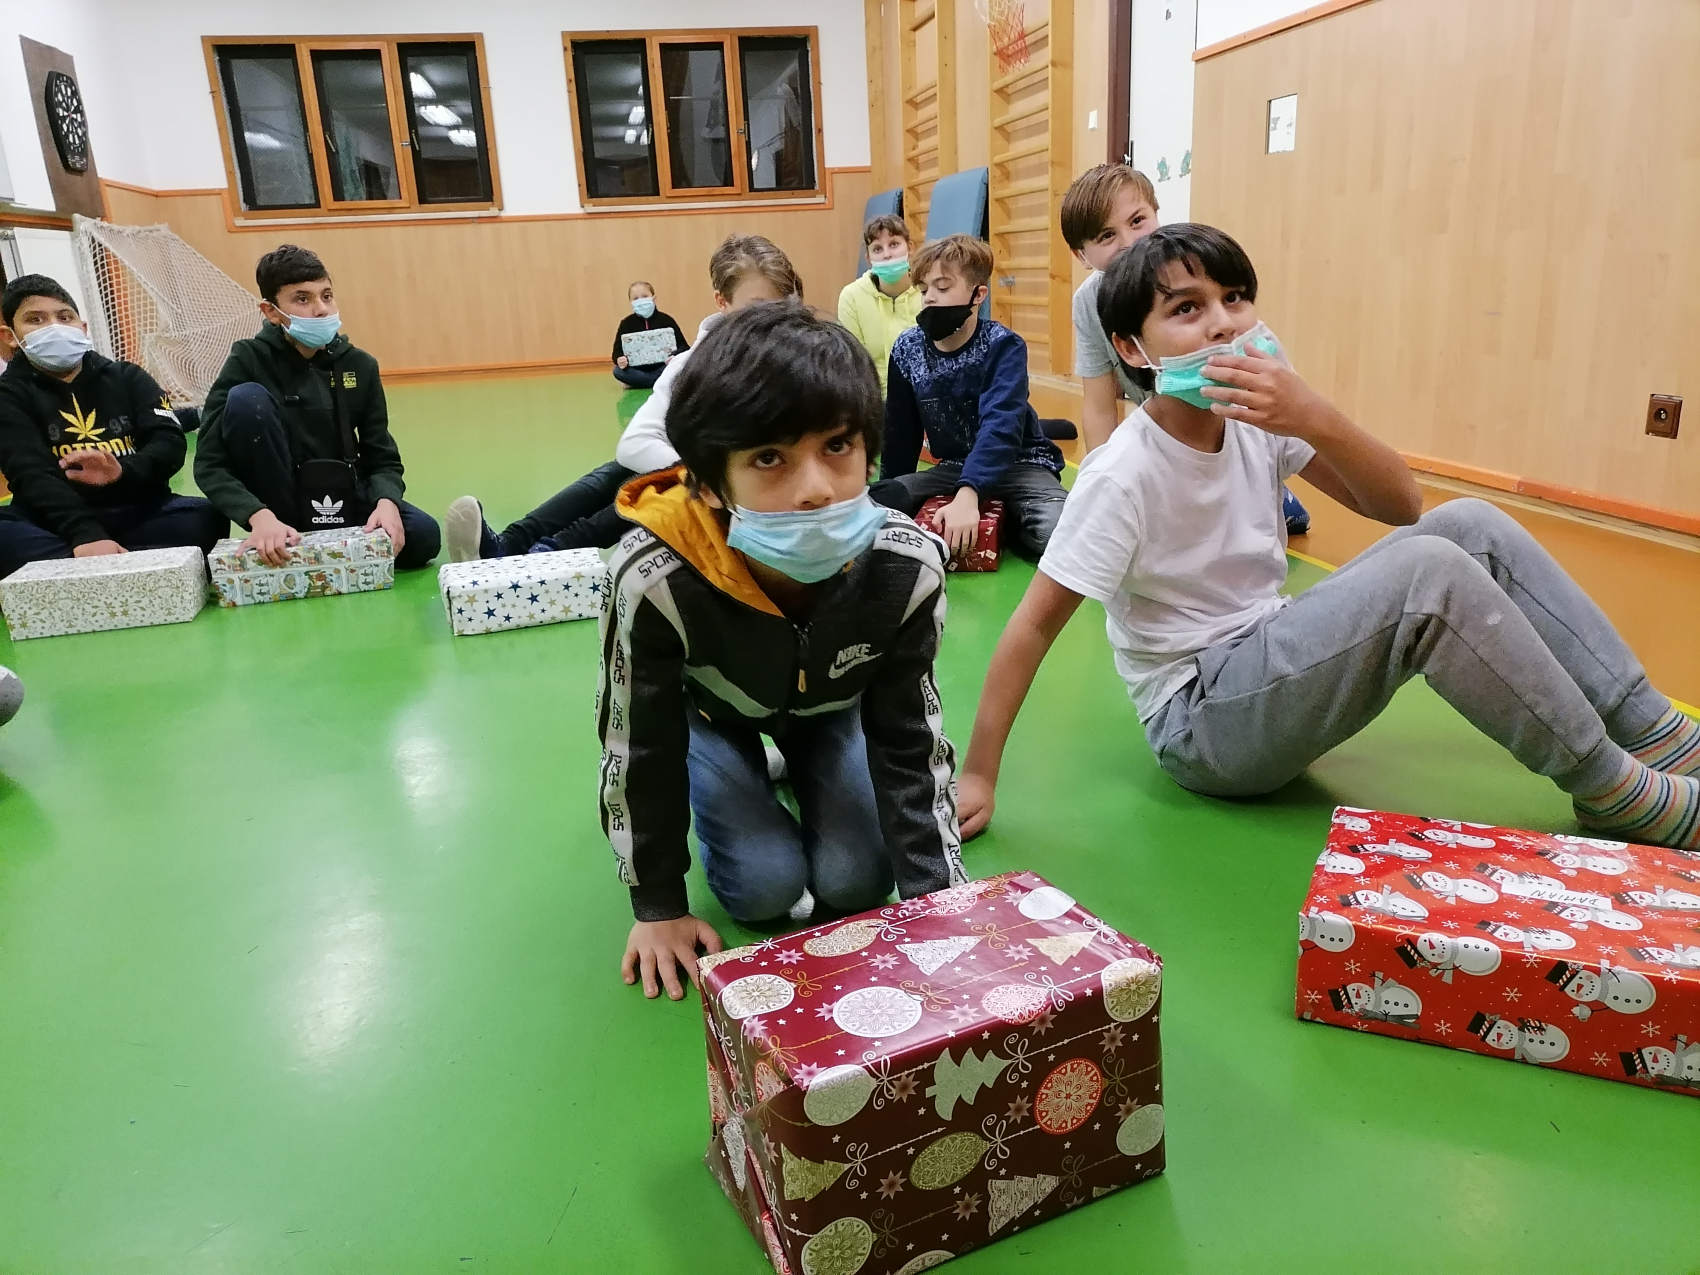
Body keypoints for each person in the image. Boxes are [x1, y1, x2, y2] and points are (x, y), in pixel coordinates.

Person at [955, 223, 1700, 851]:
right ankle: (1611, 788)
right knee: (1429, 575)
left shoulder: (1256, 420)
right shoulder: (1123, 474)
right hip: (1204, 721)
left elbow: (1401, 504)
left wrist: (1313, 415)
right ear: (1132, 348)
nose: (1223, 322)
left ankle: (1657, 731)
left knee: (1469, 524)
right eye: (1186, 308)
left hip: (1268, 654)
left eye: (1235, 298)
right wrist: (981, 773)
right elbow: (1033, 625)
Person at [600, 301, 966, 1000]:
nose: (816, 490)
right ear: (708, 483)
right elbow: (637, 745)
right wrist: (658, 905)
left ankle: (792, 759)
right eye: (769, 458)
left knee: (857, 882)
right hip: (711, 717)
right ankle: (743, 765)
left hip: (832, 708)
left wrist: (940, 903)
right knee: (765, 889)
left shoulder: (907, 566)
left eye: (838, 445)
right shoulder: (653, 580)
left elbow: (910, 739)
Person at [444, 235, 804, 561]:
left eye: (782, 307)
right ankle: (517, 547)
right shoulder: (694, 364)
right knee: (633, 473)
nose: (771, 321)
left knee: (654, 480)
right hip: (726, 486)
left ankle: (542, 551)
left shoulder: (802, 357)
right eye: (757, 306)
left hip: (768, 492)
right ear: (721, 302)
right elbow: (634, 445)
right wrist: (704, 473)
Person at [1063, 164, 1310, 532]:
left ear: (1156, 214)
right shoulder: (1088, 303)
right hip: (1166, 432)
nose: (1129, 242)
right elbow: (1099, 406)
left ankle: (1267, 486)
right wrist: (1099, 487)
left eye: (1137, 221)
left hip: (1233, 429)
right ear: (1081, 256)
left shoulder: (1193, 275)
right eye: (1106, 235)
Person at [195, 245, 441, 571]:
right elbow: (210, 465)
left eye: (326, 296)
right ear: (271, 312)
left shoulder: (360, 365)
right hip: (280, 508)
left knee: (423, 535)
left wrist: (386, 502)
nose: (321, 310)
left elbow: (381, 456)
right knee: (246, 400)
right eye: (302, 299)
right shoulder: (247, 360)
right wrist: (257, 515)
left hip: (342, 494)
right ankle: (276, 533)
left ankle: (312, 543)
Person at [0, 274, 225, 578]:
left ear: (83, 327)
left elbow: (168, 442)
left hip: (138, 511)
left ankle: (76, 574)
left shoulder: (128, 377)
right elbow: (30, 473)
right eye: (35, 319)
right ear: (10, 336)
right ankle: (136, 568)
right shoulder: (7, 395)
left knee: (204, 517)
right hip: (53, 523)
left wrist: (121, 471)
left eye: (64, 317)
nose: (54, 327)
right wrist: (85, 533)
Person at [871, 234, 1067, 559]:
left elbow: (1001, 426)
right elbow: (900, 434)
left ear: (978, 295)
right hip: (953, 468)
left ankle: (1005, 517)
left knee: (1060, 533)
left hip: (1019, 464)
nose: (929, 298)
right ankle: (996, 513)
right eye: (923, 289)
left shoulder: (1003, 345)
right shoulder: (907, 349)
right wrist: (893, 499)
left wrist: (969, 493)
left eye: (942, 287)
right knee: (875, 507)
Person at [837, 213, 923, 397]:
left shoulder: (927, 291)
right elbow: (854, 364)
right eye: (877, 249)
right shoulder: (851, 297)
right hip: (877, 400)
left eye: (894, 244)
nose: (887, 254)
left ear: (910, 247)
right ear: (869, 259)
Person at [611, 281, 688, 391]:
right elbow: (617, 352)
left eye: (645, 296)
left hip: (662, 367)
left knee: (680, 366)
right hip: (637, 370)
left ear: (653, 298)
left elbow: (684, 348)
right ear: (630, 302)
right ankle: (658, 381)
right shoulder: (626, 324)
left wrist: (674, 356)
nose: (640, 301)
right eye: (635, 298)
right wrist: (620, 359)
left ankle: (640, 383)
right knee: (617, 371)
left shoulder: (666, 320)